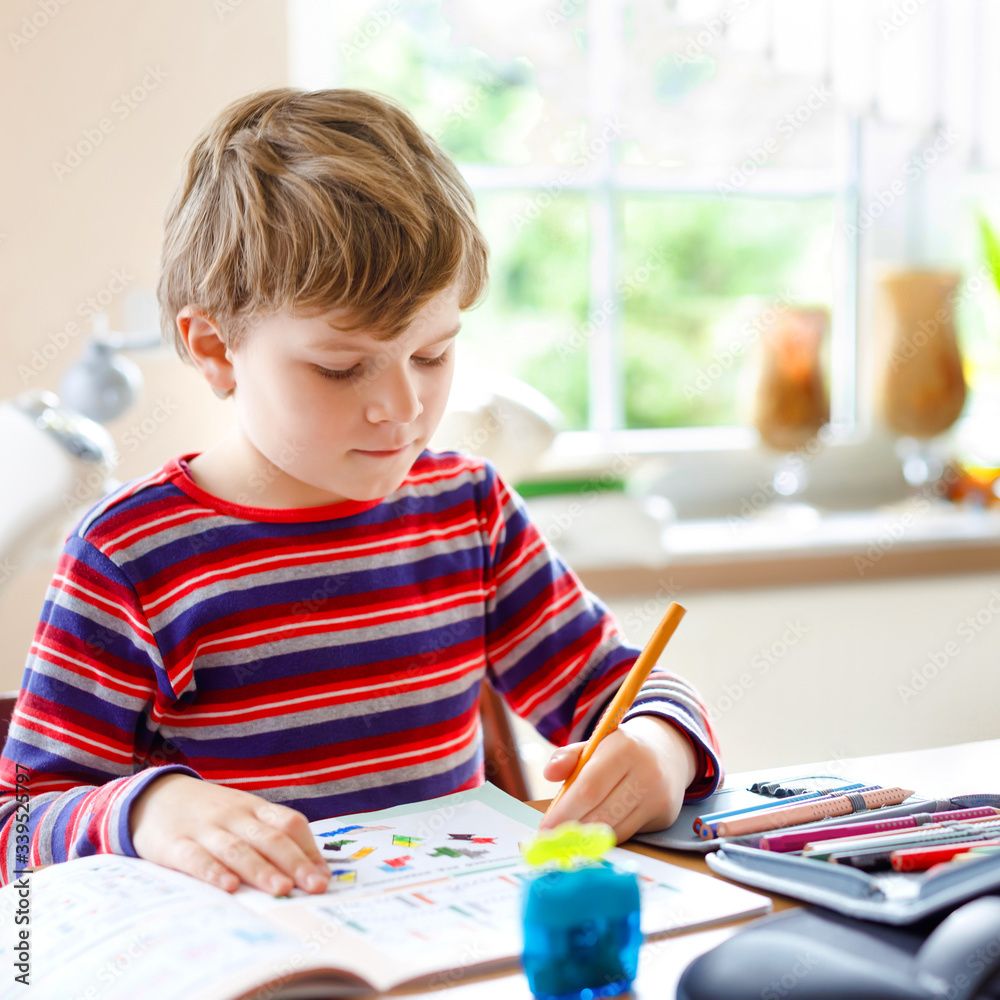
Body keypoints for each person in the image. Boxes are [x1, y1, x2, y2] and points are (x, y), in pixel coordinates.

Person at [0, 88, 721, 895]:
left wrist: (661, 742)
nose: (403, 409)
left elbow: (621, 686)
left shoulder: (470, 514)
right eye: (341, 368)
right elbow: (18, 823)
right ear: (215, 349)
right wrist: (150, 811)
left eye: (433, 354)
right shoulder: (132, 556)